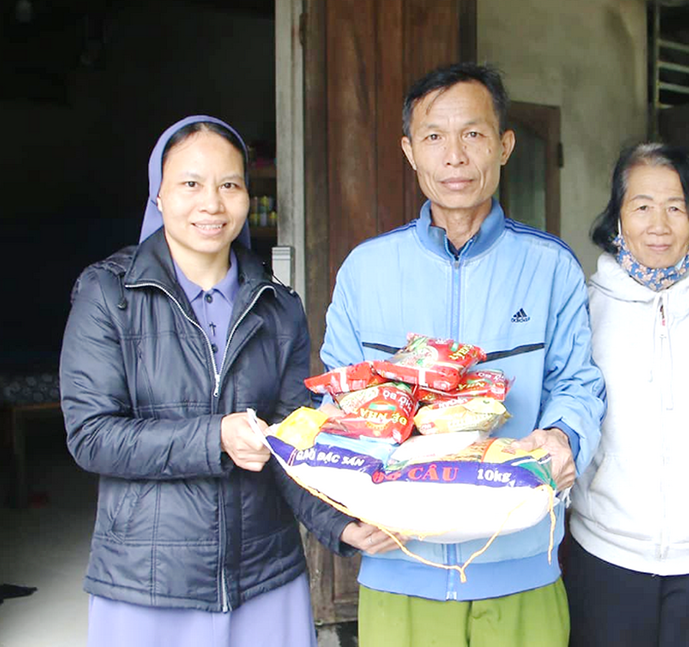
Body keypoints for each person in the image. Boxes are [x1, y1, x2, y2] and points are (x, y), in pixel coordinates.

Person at [320, 62, 606, 646]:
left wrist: (564, 437)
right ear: (409, 151)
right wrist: (346, 510)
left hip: (519, 559)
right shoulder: (366, 271)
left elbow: (578, 384)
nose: (454, 156)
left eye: (473, 134)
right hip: (401, 564)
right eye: (434, 137)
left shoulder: (550, 267)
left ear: (504, 146)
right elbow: (338, 408)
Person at [60, 116, 363, 647]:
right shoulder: (109, 294)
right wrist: (215, 438)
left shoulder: (279, 306)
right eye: (191, 184)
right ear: (158, 196)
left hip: (265, 577)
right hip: (146, 583)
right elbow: (92, 436)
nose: (212, 203)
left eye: (230, 184)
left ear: (248, 196)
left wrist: (339, 524)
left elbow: (293, 440)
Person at [563, 143, 689, 646]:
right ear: (617, 217)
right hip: (605, 555)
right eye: (641, 206)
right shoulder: (582, 313)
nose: (659, 224)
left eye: (675, 206)